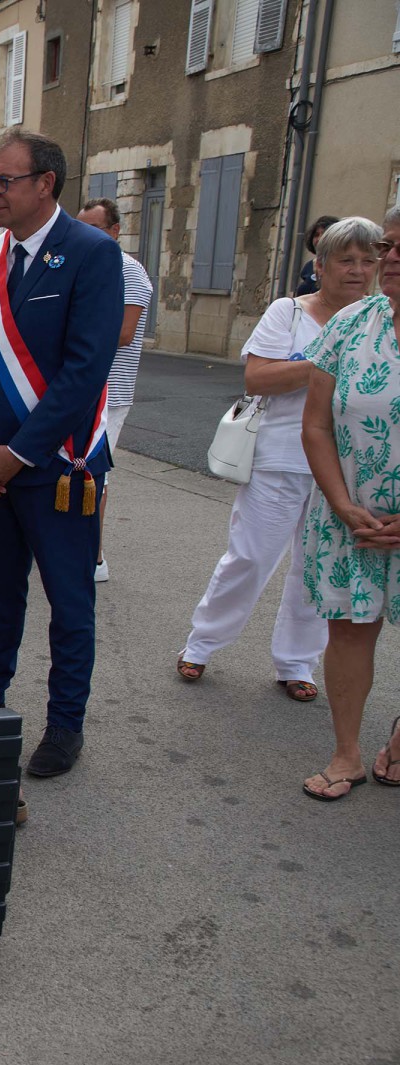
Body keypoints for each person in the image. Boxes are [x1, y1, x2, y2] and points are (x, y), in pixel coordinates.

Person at [0, 130, 124, 781]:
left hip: (57, 467)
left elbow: (85, 371)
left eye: (3, 181)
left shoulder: (92, 254)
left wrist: (17, 454)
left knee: (69, 604)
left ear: (45, 183)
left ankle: (65, 724)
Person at [179, 217, 378, 703]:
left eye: (368, 261)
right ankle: (202, 643)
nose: (358, 270)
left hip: (347, 469)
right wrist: (325, 359)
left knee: (315, 570)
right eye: (346, 260)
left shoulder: (379, 320)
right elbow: (259, 379)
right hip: (282, 457)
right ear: (321, 265)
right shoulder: (288, 312)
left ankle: (296, 662)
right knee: (249, 558)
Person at [293, 208, 400, 800]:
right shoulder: (351, 323)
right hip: (349, 518)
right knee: (351, 632)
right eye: (390, 245)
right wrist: (340, 502)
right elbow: (316, 424)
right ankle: (347, 754)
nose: (390, 258)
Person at [76, 197, 154, 581]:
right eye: (81, 228)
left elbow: (124, 333)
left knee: (95, 473)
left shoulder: (130, 271)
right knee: (71, 468)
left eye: (94, 229)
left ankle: (94, 557)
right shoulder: (83, 265)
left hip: (110, 392)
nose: (85, 236)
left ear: (115, 231)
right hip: (79, 386)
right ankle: (71, 547)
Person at [295, 215, 339, 298]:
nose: (320, 239)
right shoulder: (308, 266)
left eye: (325, 234)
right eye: (316, 235)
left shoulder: (342, 266)